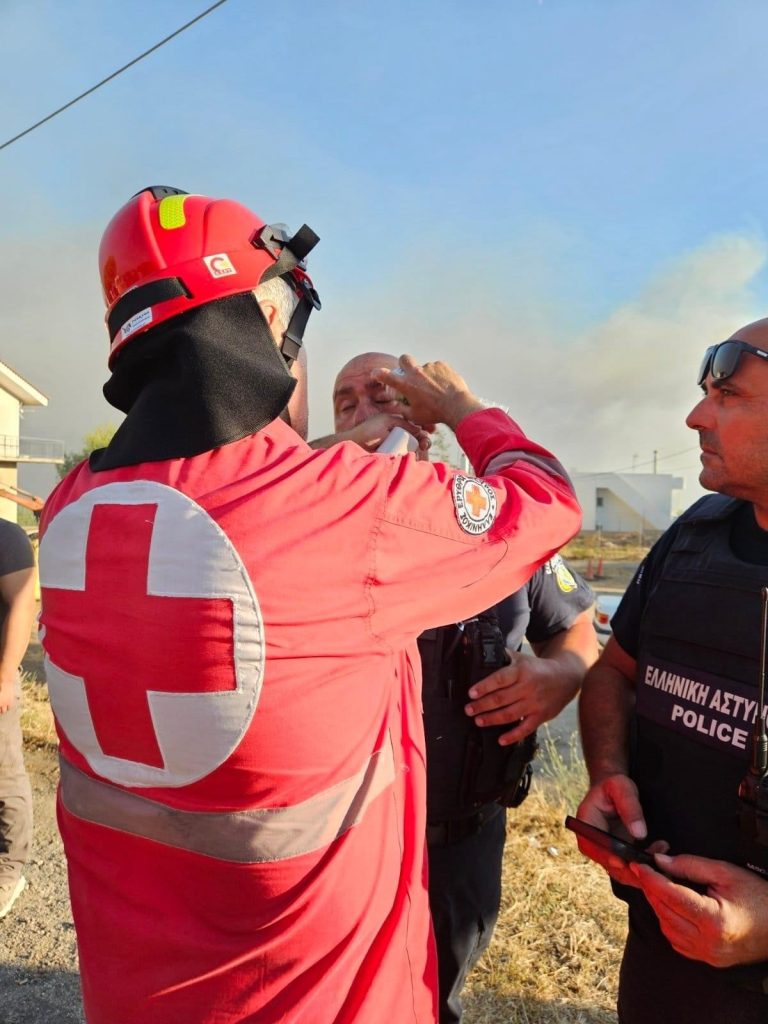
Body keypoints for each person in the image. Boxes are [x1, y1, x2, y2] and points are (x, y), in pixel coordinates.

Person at [37, 186, 581, 1024]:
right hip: (316, 999)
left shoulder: (68, 507)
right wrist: (462, 409)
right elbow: (546, 499)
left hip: (132, 990)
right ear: (262, 313)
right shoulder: (353, 508)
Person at [317, 352, 599, 1022]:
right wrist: (334, 455)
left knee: (432, 995)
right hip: (338, 843)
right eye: (345, 400)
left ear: (429, 416)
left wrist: (562, 675)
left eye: (385, 395)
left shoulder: (494, 521)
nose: (364, 410)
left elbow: (577, 627)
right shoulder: (302, 514)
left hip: (458, 842)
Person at [576, 320, 768, 1023]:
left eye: (728, 395)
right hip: (664, 952)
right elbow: (612, 674)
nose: (695, 416)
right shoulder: (694, 538)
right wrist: (608, 772)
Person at [0, 519, 37, 919]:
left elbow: (23, 603)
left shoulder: (6, 537)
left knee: (4, 777)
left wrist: (6, 676)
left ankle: (10, 870)